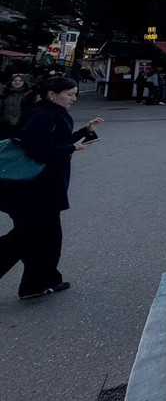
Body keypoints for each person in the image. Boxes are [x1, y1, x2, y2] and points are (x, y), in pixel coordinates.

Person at [0, 77, 103, 299]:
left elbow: (54, 141)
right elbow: (36, 149)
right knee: (41, 238)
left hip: (35, 188)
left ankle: (37, 284)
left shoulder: (48, 112)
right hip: (34, 188)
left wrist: (85, 132)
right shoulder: (44, 114)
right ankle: (38, 284)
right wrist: (71, 148)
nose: (74, 98)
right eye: (69, 94)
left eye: (75, 94)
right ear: (51, 94)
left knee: (31, 236)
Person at [0, 74, 30, 140]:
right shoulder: (4, 93)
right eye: (14, 80)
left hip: (21, 125)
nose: (17, 82)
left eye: (20, 80)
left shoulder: (30, 94)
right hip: (4, 124)